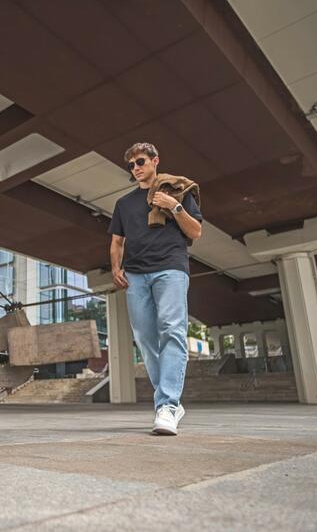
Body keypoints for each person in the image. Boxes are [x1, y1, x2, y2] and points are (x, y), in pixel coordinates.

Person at [108, 142, 202, 435]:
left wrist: (173, 206)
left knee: (172, 330)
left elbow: (196, 232)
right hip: (136, 275)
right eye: (131, 165)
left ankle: (168, 405)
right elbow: (117, 241)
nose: (135, 168)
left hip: (170, 269)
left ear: (155, 161)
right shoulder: (124, 204)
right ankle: (169, 399)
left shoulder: (178, 191)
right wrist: (115, 268)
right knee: (145, 339)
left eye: (140, 162)